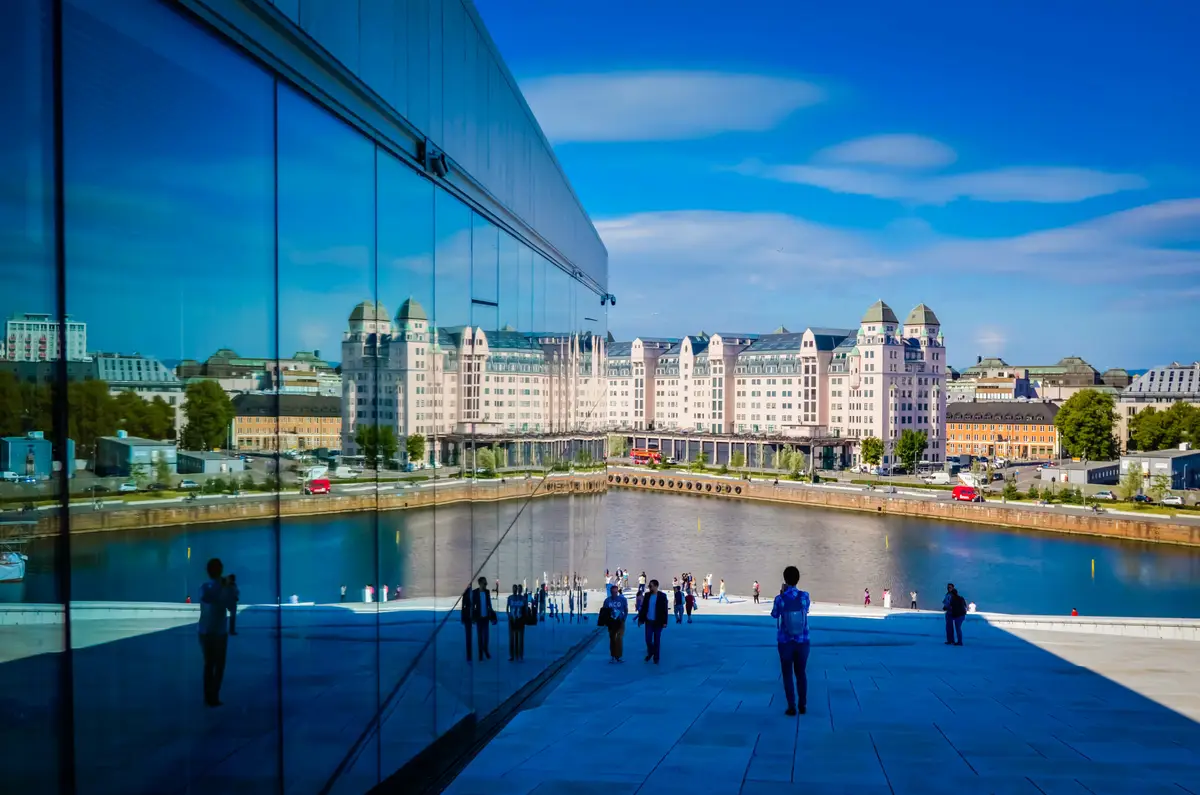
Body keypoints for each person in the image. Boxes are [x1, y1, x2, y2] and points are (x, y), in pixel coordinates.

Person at [771, 565, 811, 716]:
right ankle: (803, 704)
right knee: (801, 673)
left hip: (785, 642)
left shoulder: (780, 598)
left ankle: (791, 706)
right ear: (798, 579)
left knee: (787, 674)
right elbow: (806, 610)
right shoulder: (805, 596)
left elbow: (775, 615)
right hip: (803, 641)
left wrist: (782, 594)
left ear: (785, 580)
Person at [197, 558, 233, 707]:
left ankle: (210, 696)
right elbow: (217, 601)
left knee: (210, 664)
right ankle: (213, 695)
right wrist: (224, 586)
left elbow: (227, 604)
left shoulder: (205, 587)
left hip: (206, 631)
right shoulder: (213, 587)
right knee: (217, 665)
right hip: (216, 632)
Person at [637, 578, 669, 664]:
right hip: (649, 621)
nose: (649, 588)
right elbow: (644, 608)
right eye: (649, 586)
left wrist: (665, 622)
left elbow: (665, 610)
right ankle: (651, 651)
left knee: (657, 640)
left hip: (658, 622)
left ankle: (656, 658)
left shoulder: (662, 596)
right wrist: (640, 619)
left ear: (656, 586)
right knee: (648, 639)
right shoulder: (647, 595)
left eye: (651, 586)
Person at [470, 576, 496, 661]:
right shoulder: (475, 592)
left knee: (486, 636)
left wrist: (492, 614)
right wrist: (472, 617)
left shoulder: (487, 592)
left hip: (486, 618)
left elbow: (489, 604)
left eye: (486, 583)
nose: (486, 584)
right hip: (479, 618)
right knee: (480, 636)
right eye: (484, 583)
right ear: (480, 583)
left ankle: (486, 650)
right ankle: (480, 653)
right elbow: (472, 606)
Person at [603, 584, 629, 662]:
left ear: (617, 592)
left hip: (620, 621)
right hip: (611, 622)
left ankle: (619, 656)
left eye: (615, 592)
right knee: (612, 638)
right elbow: (604, 611)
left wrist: (624, 618)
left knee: (619, 638)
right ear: (610, 592)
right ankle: (613, 655)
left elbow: (626, 609)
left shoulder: (622, 600)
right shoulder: (607, 601)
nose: (614, 594)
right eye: (612, 592)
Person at [507, 584, 526, 661]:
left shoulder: (523, 598)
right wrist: (509, 616)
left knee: (520, 638)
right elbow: (507, 608)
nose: (517, 590)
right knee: (512, 638)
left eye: (518, 589)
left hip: (520, 619)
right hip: (512, 619)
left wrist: (523, 618)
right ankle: (513, 655)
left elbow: (525, 610)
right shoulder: (510, 598)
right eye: (515, 589)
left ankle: (519, 655)